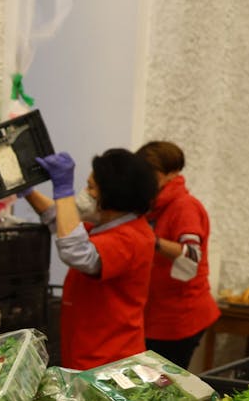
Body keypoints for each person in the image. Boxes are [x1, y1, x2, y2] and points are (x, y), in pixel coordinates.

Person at [25, 149, 158, 370]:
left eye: (91, 187)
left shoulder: (131, 237)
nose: (86, 193)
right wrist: (28, 191)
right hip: (87, 347)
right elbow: (61, 223)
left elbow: (75, 250)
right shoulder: (107, 226)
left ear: (113, 194)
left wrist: (63, 191)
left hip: (109, 359)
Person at [137, 140, 216, 368]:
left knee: (165, 390)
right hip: (157, 314)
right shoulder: (153, 206)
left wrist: (150, 241)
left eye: (152, 173)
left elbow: (191, 254)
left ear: (172, 173)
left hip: (179, 317)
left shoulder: (184, 206)